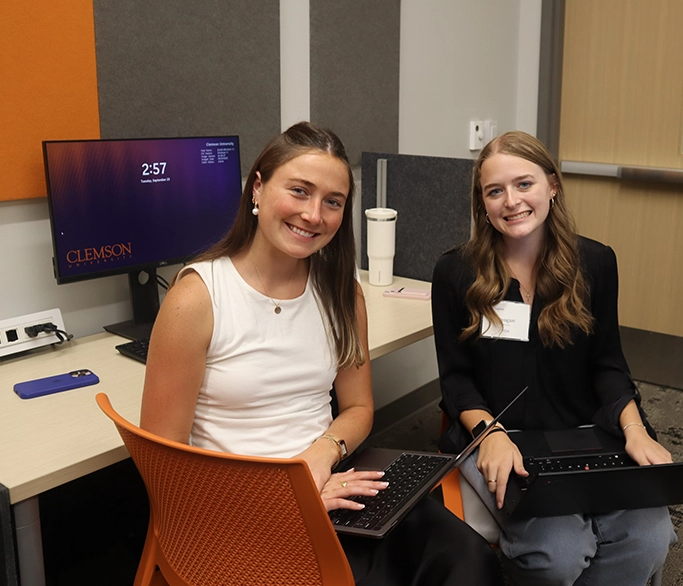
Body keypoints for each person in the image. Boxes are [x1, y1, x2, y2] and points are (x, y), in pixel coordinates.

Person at [141, 122, 503, 586]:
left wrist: (320, 454)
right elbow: (163, 464)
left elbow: (358, 407)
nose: (314, 215)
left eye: (332, 202)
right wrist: (286, 495)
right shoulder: (197, 297)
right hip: (239, 509)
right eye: (299, 190)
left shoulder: (340, 294)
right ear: (258, 187)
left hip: (330, 477)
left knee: (470, 560)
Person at [433, 131, 677, 586]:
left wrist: (635, 430)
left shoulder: (596, 263)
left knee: (649, 538)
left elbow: (608, 364)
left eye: (524, 184)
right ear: (481, 203)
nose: (511, 201)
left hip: (585, 434)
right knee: (558, 554)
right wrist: (491, 434)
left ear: (552, 186)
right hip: (500, 438)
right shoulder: (456, 272)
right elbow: (456, 379)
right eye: (495, 191)